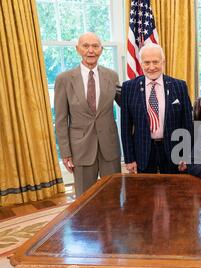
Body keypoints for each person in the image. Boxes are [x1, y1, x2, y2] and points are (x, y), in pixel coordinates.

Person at [55, 32, 122, 198]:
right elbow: (61, 120)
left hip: (109, 146)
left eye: (95, 46)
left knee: (113, 195)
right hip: (81, 148)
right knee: (84, 200)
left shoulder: (112, 76)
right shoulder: (64, 79)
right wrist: (65, 153)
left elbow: (126, 105)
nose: (91, 50)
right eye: (86, 46)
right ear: (78, 49)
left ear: (101, 49)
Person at [121, 43, 193, 174]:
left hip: (174, 151)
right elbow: (125, 126)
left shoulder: (179, 86)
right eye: (147, 62)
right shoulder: (129, 87)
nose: (151, 67)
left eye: (155, 62)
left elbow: (187, 123)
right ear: (141, 63)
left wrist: (186, 154)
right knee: (145, 192)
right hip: (142, 153)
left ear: (163, 62)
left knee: (175, 192)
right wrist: (129, 158)